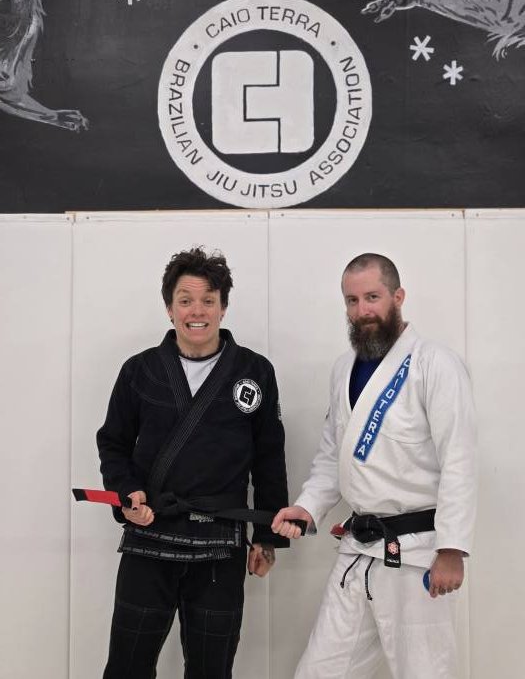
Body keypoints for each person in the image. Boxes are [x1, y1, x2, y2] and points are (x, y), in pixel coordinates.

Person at [272, 253, 476, 679]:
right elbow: (334, 455)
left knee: (425, 673)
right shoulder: (343, 369)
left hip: (417, 553)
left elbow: (458, 461)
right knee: (319, 672)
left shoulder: (434, 363)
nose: (362, 310)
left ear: (398, 297)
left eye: (372, 297)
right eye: (351, 300)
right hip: (359, 548)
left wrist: (452, 549)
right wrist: (308, 507)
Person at [97, 247, 289, 679]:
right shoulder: (140, 371)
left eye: (208, 300)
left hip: (220, 541)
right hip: (150, 532)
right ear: (170, 309)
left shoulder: (254, 371)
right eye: (185, 300)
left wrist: (266, 536)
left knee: (211, 670)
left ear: (223, 307)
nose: (196, 311)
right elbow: (113, 444)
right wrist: (127, 495)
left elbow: (268, 456)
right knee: (127, 667)